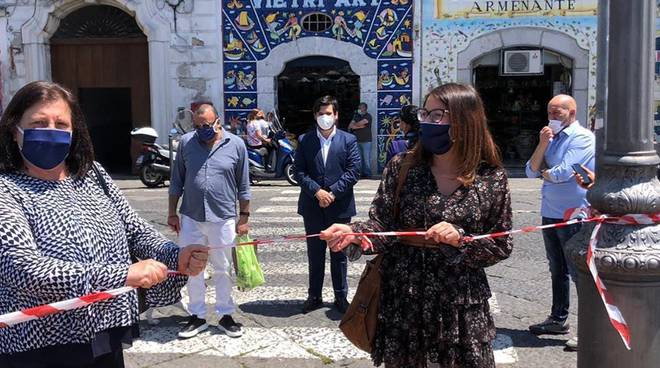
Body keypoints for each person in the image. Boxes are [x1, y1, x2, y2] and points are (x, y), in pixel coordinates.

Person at [0, 81, 208, 367]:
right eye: (38, 122)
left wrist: (176, 255)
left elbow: (135, 231)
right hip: (39, 343)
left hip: (105, 331)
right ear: (15, 131)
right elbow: (23, 270)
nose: (51, 130)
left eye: (61, 124)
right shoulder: (6, 189)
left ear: (74, 132)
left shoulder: (92, 174)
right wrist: (123, 275)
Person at [322, 83, 513, 367]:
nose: (427, 122)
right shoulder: (403, 166)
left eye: (438, 115)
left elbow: (501, 244)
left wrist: (460, 239)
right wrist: (355, 234)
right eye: (425, 113)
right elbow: (383, 225)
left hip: (461, 304)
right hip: (405, 298)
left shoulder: (490, 177)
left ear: (465, 119)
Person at [168, 104, 251, 339]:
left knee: (222, 268)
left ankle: (225, 314)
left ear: (217, 121)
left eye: (206, 125)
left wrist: (243, 218)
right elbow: (176, 181)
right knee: (194, 267)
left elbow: (244, 186)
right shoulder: (186, 143)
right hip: (191, 217)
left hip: (223, 217)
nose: (201, 130)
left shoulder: (235, 144)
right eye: (197, 126)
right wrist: (172, 213)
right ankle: (197, 316)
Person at [525, 94, 595, 351]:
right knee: (557, 269)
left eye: (558, 113)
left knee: (579, 271)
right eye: (550, 113)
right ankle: (558, 318)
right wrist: (543, 144)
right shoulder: (551, 139)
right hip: (550, 211)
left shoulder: (583, 138)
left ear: (572, 113)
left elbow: (564, 172)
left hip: (574, 213)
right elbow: (530, 170)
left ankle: (589, 327)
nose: (552, 117)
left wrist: (545, 172)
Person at [295, 95, 361, 314]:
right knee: (315, 253)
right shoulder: (305, 140)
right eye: (321, 113)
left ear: (336, 115)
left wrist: (332, 193)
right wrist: (317, 191)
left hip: (339, 206)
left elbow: (353, 171)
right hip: (312, 206)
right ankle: (314, 295)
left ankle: (340, 296)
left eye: (329, 113)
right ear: (315, 116)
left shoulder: (348, 140)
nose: (325, 117)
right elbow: (299, 172)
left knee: (339, 254)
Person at [348, 102, 373, 178]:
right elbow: (350, 126)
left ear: (365, 108)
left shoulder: (368, 116)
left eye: (361, 107)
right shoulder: (356, 116)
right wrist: (359, 126)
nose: (359, 109)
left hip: (366, 141)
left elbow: (364, 122)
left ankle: (368, 174)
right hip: (357, 140)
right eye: (359, 107)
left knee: (366, 159)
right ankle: (360, 174)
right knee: (359, 159)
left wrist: (355, 125)